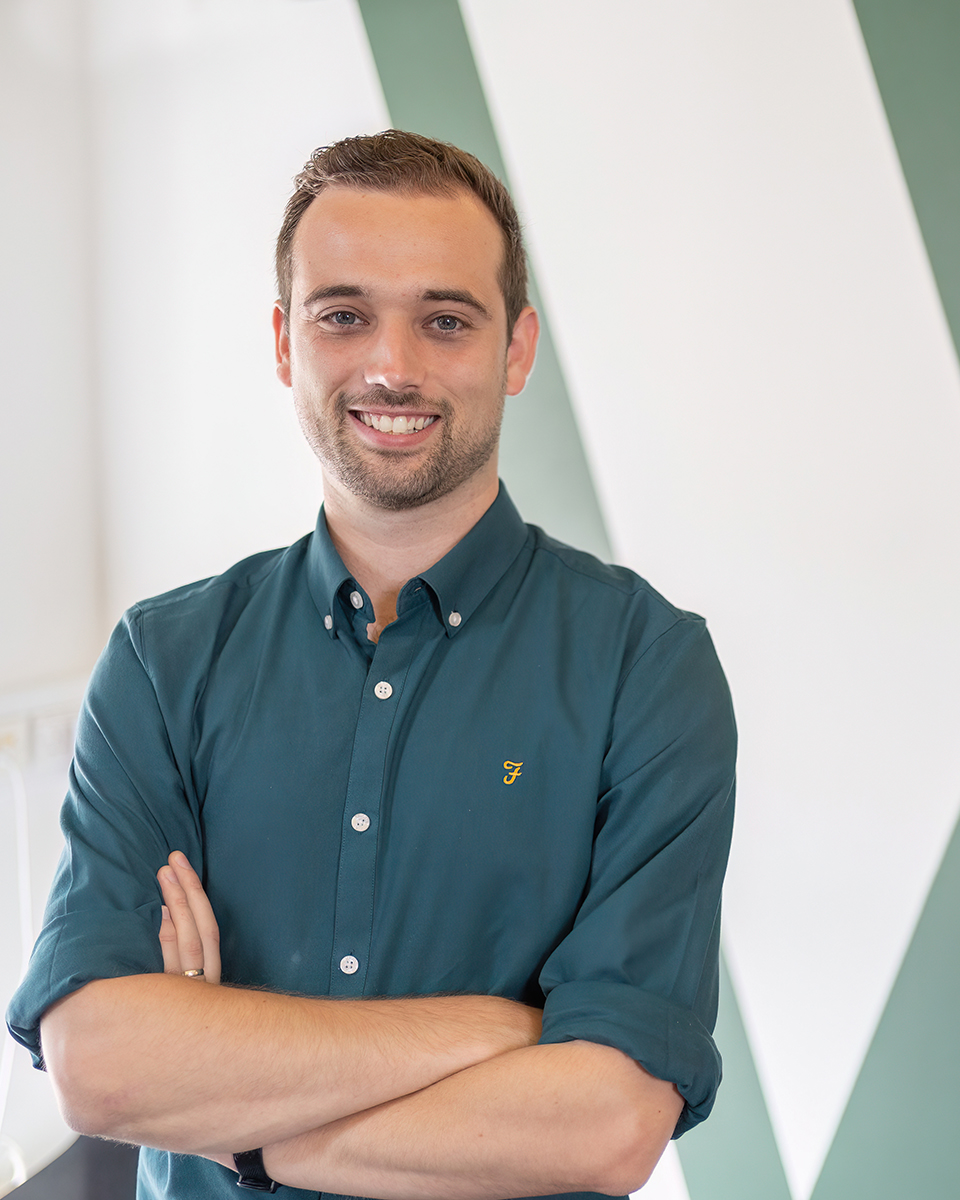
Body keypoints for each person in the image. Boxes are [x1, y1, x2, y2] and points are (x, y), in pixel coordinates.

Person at [6, 130, 736, 1200]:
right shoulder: (163, 663)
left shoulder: (645, 667)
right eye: (344, 315)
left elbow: (606, 1123)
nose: (392, 366)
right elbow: (102, 1065)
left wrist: (238, 1116)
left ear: (517, 350)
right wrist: (500, 1034)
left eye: (445, 320)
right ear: (283, 341)